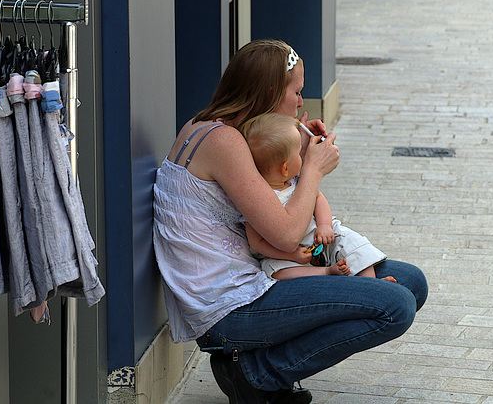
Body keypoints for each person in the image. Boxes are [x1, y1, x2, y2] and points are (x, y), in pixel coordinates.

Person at [153, 39, 428, 404]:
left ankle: (257, 366)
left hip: (257, 282)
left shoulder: (212, 125)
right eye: (296, 92)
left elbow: (274, 180)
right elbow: (285, 235)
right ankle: (258, 374)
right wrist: (312, 169)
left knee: (410, 282)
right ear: (269, 91)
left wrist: (295, 138)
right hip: (229, 308)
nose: (302, 102)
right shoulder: (224, 143)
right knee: (395, 305)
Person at [243, 113, 397, 282]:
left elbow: (318, 197)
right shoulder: (258, 197)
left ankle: (370, 284)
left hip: (321, 239)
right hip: (286, 256)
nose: (302, 156)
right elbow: (256, 243)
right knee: (277, 270)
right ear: (285, 168)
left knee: (351, 243)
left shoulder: (295, 181)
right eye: (298, 153)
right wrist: (291, 255)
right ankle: (327, 272)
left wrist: (324, 226)